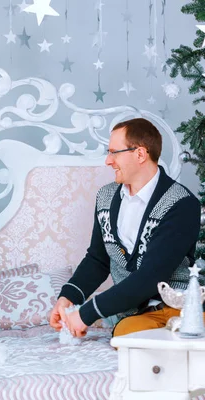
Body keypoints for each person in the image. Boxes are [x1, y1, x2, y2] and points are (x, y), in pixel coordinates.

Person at [49, 117, 201, 338]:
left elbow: (151, 277)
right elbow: (98, 260)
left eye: (114, 152)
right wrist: (69, 298)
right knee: (125, 334)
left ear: (140, 154)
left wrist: (85, 314)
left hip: (177, 308)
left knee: (134, 337)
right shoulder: (106, 197)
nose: (108, 161)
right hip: (134, 316)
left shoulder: (181, 204)